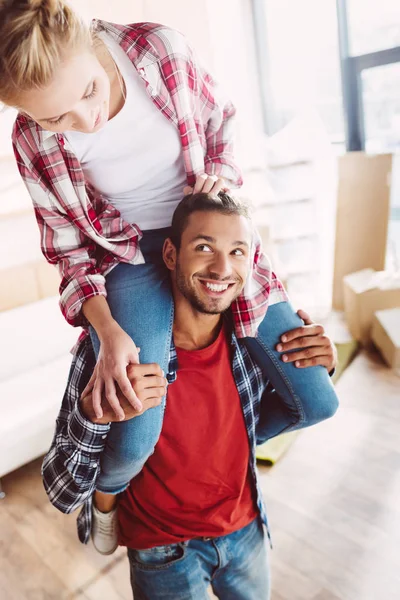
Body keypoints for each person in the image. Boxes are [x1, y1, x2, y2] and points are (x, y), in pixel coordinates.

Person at [2, 0, 335, 554]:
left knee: (317, 400)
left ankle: (213, 465)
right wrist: (108, 334)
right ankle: (110, 497)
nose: (85, 122)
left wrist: (220, 180)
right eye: (52, 118)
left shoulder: (157, 50)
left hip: (206, 229)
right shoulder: (29, 143)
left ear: (90, 41)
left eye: (87, 93)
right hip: (129, 259)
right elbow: (68, 252)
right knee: (135, 436)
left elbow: (222, 121)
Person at [43, 192, 338, 599]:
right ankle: (108, 503)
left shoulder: (252, 344)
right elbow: (61, 489)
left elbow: (300, 405)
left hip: (246, 528)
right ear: (170, 254)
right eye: (204, 247)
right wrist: (93, 418)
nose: (222, 267)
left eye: (237, 251)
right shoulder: (113, 356)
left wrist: (322, 360)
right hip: (162, 550)